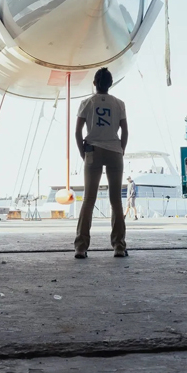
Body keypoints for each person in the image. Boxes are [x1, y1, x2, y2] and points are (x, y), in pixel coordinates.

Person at [74, 67, 128, 259]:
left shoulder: (86, 103)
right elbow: (125, 131)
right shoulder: (119, 104)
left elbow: (78, 132)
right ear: (110, 84)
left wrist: (83, 154)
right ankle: (119, 247)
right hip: (114, 152)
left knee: (89, 199)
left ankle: (81, 246)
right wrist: (120, 151)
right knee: (116, 201)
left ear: (95, 83)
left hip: (93, 151)